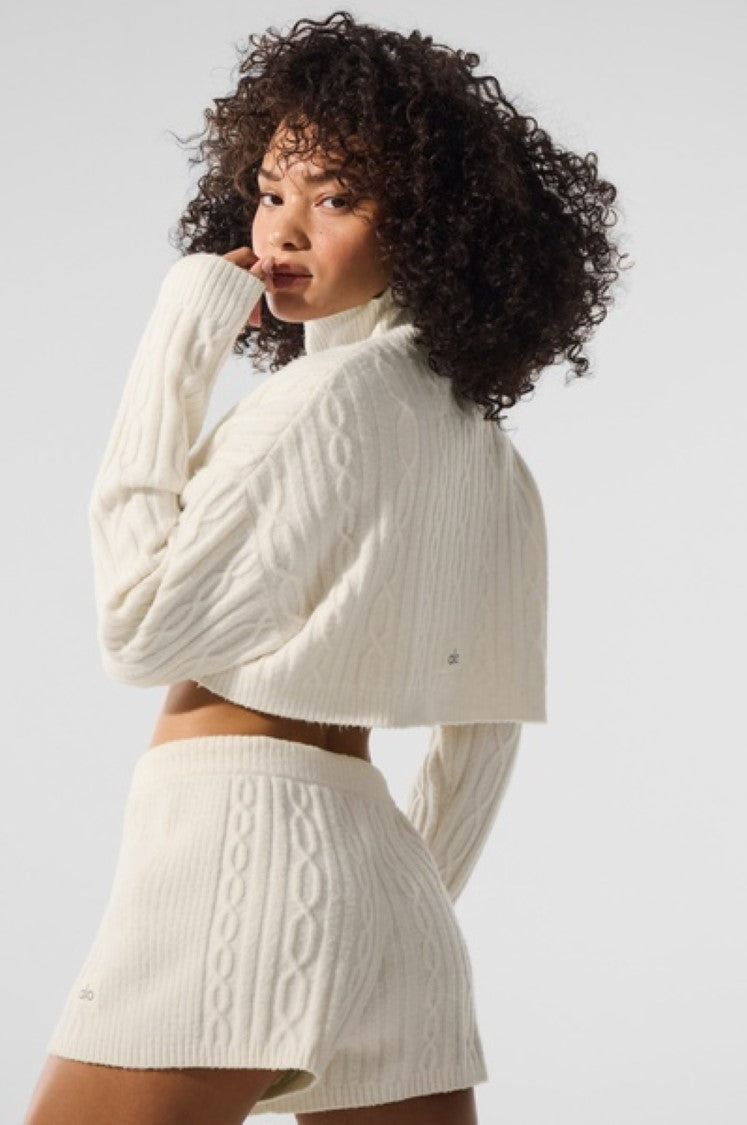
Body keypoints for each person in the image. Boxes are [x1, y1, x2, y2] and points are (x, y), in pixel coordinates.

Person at [24, 10, 629, 1124]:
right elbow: (484, 737)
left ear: (432, 225)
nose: (284, 229)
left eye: (338, 197)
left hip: (233, 845)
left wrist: (179, 336)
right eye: (270, 191)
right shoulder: (487, 453)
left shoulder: (313, 407)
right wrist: (384, 910)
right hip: (396, 889)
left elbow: (136, 630)